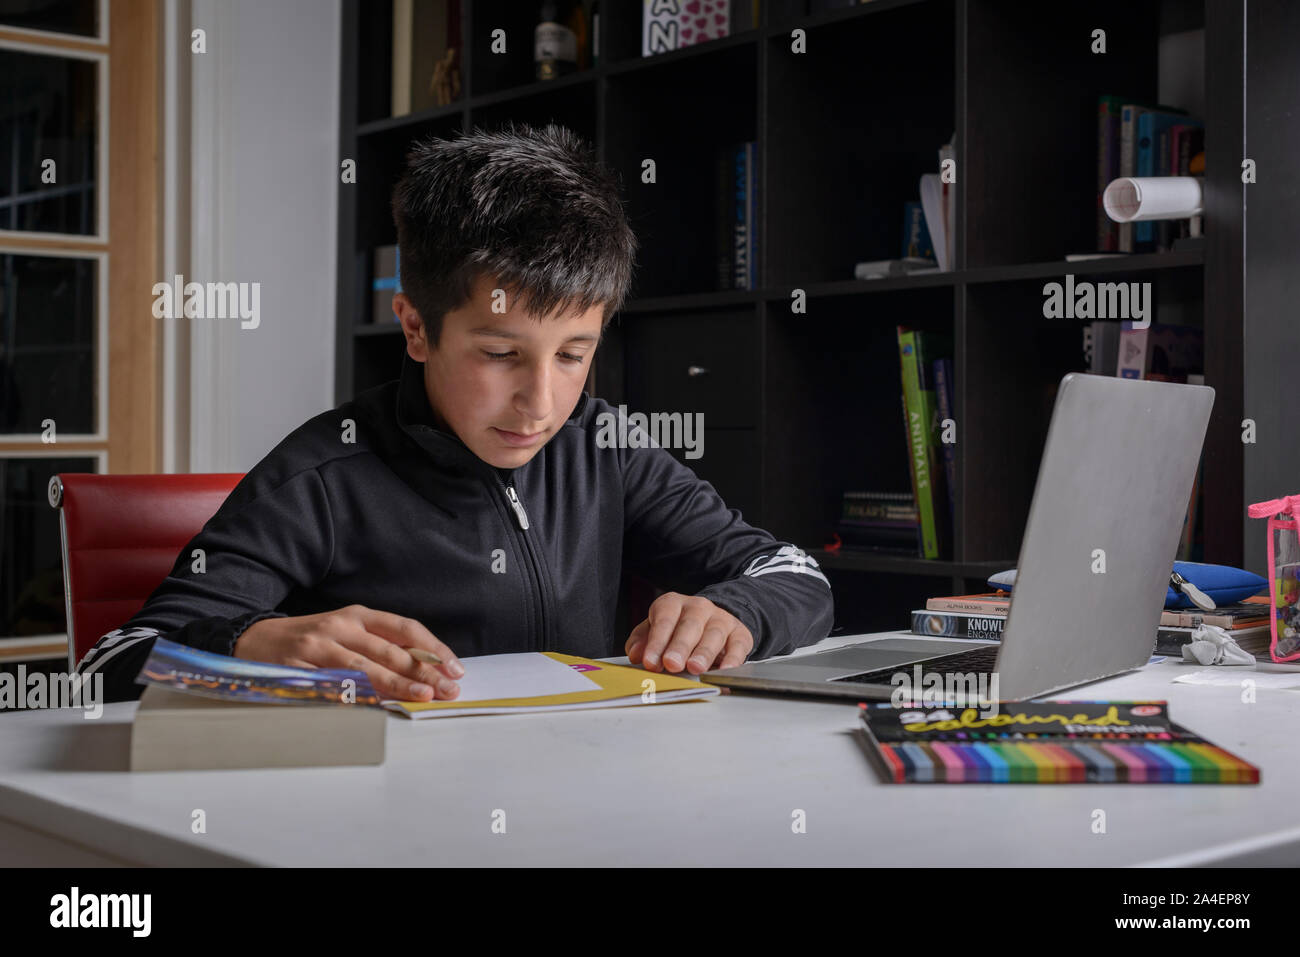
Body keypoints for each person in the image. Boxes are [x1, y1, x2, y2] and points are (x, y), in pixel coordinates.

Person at [77, 123, 834, 704]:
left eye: (573, 354)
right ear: (415, 327)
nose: (541, 402)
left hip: (581, 804)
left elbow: (796, 575)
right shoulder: (323, 473)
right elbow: (107, 663)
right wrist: (250, 641)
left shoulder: (604, 446)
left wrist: (736, 609)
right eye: (501, 354)